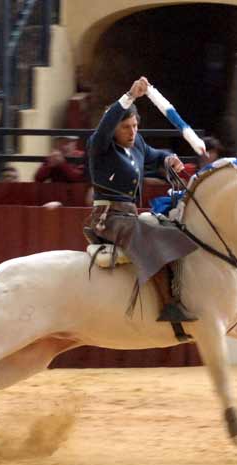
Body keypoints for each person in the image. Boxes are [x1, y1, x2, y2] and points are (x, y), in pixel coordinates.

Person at [85, 76, 199, 323]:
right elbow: (104, 127)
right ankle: (169, 305)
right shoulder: (100, 146)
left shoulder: (137, 145)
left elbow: (157, 156)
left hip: (128, 217)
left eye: (135, 126)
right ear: (114, 127)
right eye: (126, 127)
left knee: (172, 231)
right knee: (156, 240)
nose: (133, 132)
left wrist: (170, 159)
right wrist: (129, 96)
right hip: (109, 219)